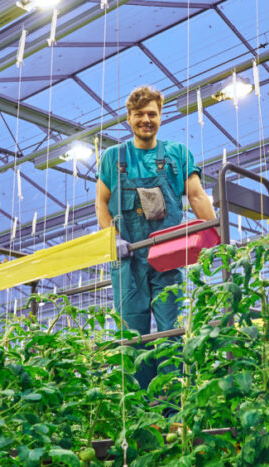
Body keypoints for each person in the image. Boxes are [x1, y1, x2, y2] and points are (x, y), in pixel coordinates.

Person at [95, 85, 216, 388]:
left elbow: (197, 195)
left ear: (161, 116)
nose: (146, 120)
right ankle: (137, 408)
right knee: (130, 337)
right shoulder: (113, 157)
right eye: (139, 115)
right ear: (129, 118)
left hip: (167, 258)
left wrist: (215, 230)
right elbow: (101, 201)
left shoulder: (177, 154)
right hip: (128, 260)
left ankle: (173, 409)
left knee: (171, 332)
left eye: (152, 114)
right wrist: (112, 238)